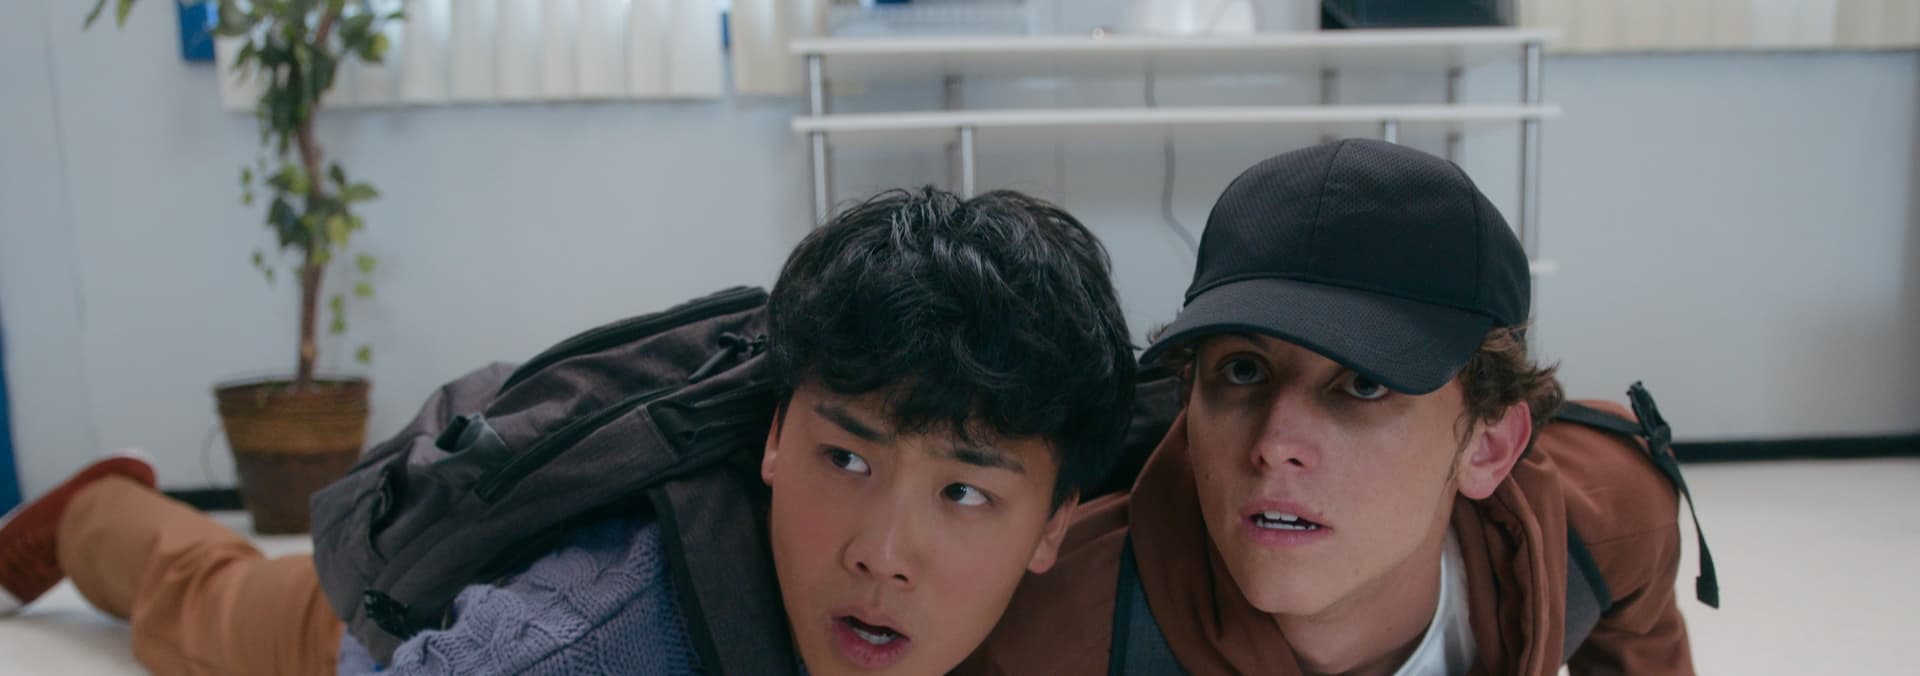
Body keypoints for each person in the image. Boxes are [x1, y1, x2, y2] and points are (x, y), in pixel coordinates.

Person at [0, 186, 1137, 675]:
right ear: (774, 435)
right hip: (399, 613)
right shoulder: (577, 642)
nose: (881, 553)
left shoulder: (1103, 569)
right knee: (202, 597)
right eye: (846, 457)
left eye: (964, 493)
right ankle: (97, 511)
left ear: (1055, 522)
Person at [963, 139, 1700, 676]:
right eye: (1243, 371)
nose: (1274, 442)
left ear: (1487, 445)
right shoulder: (1047, 635)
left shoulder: (1601, 524)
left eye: (1364, 384)